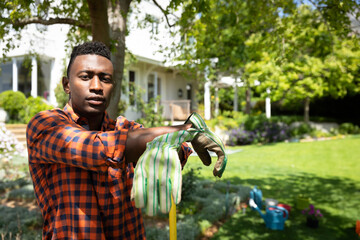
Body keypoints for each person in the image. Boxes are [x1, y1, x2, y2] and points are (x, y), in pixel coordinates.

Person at [26, 41, 194, 239]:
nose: (97, 86)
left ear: (113, 87)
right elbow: (96, 148)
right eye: (85, 77)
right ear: (67, 85)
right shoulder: (45, 125)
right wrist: (186, 131)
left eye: (105, 79)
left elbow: (179, 148)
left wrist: (180, 142)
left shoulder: (125, 129)